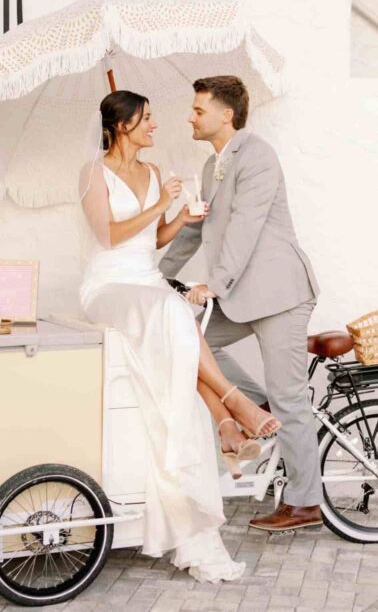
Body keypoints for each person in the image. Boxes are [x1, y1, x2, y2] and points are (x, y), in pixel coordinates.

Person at [77, 90, 281, 582]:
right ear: (122, 125)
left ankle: (226, 421)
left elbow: (153, 241)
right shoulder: (93, 173)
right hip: (108, 286)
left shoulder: (152, 172)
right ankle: (233, 404)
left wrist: (180, 220)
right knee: (173, 309)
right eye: (147, 118)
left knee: (176, 314)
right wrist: (162, 205)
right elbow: (109, 235)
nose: (155, 125)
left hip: (147, 282)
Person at [159, 75, 324, 533]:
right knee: (189, 345)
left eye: (198, 110)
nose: (190, 117)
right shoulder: (213, 165)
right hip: (241, 298)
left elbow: (246, 226)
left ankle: (305, 503)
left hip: (279, 295)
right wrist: (155, 275)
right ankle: (257, 410)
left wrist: (214, 283)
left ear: (226, 114)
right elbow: (196, 228)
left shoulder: (257, 156)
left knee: (290, 398)